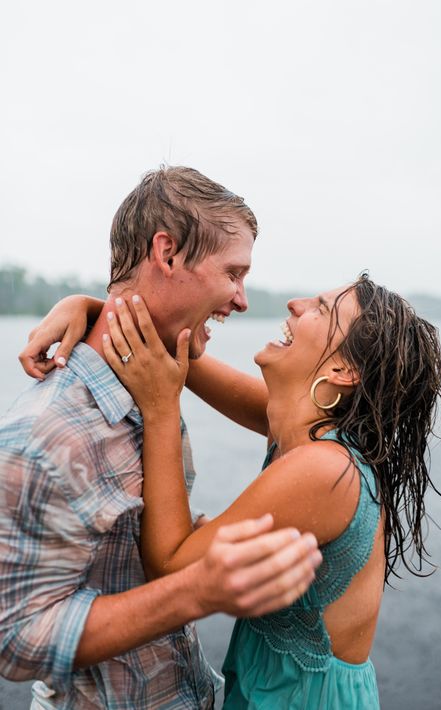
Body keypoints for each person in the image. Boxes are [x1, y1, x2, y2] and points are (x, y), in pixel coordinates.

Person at [23, 273, 441, 708]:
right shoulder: (301, 427)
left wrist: (161, 410)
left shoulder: (324, 470)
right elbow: (166, 353)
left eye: (320, 308)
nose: (295, 304)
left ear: (342, 369)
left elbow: (170, 566)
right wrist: (87, 307)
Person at [0, 166, 323, 710]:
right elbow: (13, 638)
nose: (242, 300)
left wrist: (95, 305)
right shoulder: (43, 435)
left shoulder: (156, 386)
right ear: (167, 253)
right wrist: (195, 591)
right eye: (233, 273)